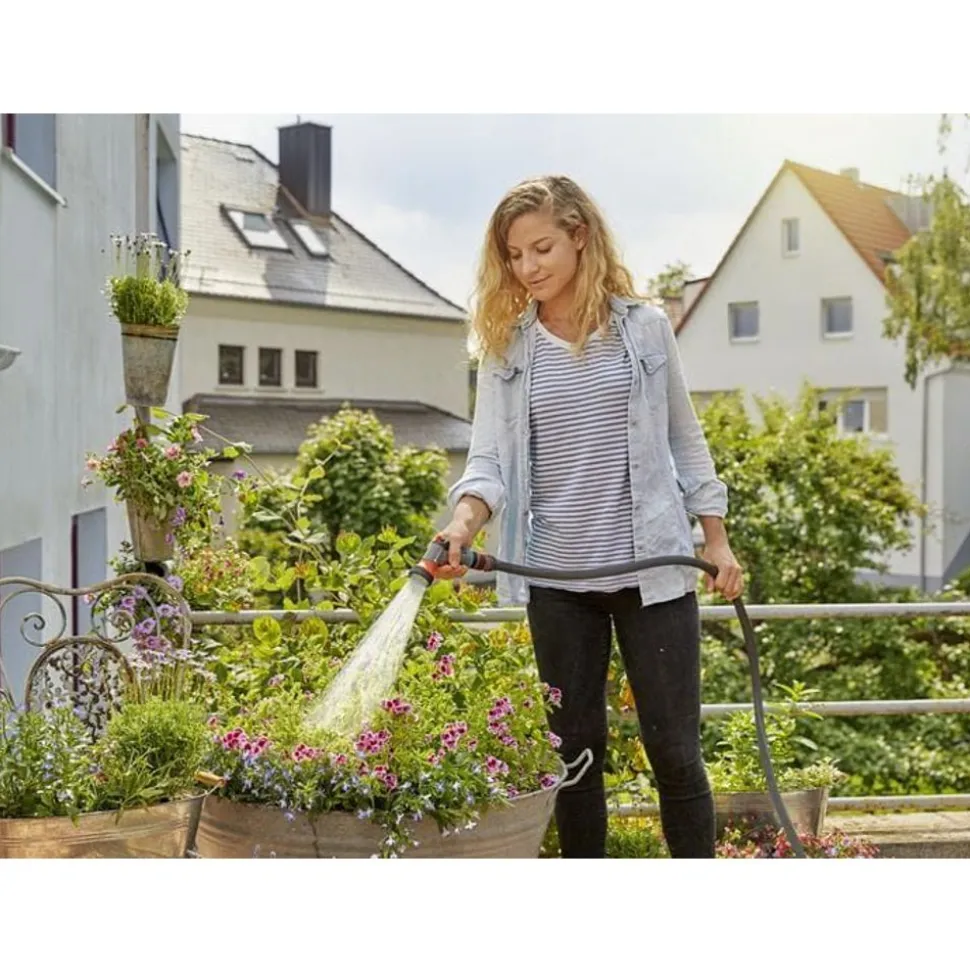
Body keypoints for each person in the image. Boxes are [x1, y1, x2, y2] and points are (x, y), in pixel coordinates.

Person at [435, 174, 744, 859]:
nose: (528, 267)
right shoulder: (509, 347)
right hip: (558, 582)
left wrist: (716, 541)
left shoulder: (645, 329)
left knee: (675, 751)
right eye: (515, 255)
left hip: (652, 574)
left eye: (542, 248)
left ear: (579, 236)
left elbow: (685, 438)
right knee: (575, 756)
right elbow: (487, 462)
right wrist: (462, 525)